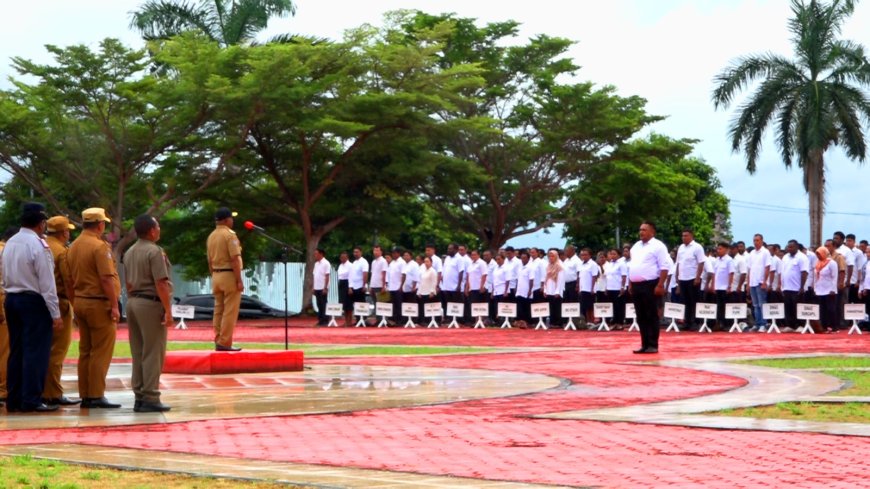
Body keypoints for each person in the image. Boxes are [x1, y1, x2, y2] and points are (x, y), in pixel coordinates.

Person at [1, 203, 63, 413]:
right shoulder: (38, 245)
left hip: (11, 299)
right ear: (42, 224)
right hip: (33, 302)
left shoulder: (10, 243)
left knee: (16, 351)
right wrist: (55, 313)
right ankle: (31, 399)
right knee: (35, 352)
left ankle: (14, 399)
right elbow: (47, 283)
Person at [67, 207, 122, 409]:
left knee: (86, 350)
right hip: (99, 303)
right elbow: (106, 278)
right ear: (100, 224)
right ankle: (96, 394)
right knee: (100, 351)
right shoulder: (99, 247)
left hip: (81, 301)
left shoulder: (73, 246)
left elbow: (70, 280)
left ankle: (86, 394)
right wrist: (115, 306)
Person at [123, 215, 174, 413]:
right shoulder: (154, 251)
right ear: (152, 230)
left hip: (133, 301)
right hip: (150, 303)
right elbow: (161, 282)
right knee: (153, 352)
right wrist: (168, 310)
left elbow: (128, 283)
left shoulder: (129, 252)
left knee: (138, 352)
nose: (159, 229)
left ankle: (140, 396)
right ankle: (151, 396)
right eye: (158, 226)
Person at [42, 216, 79, 406]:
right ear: (64, 232)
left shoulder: (41, 246)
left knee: (41, 349)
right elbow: (69, 283)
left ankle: (42, 390)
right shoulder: (61, 252)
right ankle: (52, 393)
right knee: (57, 351)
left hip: (39, 303)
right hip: (60, 303)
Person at [628, 221, 670, 354]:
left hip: (651, 284)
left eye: (644, 230)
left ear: (652, 231)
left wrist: (660, 284)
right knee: (640, 316)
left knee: (651, 315)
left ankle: (653, 344)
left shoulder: (658, 246)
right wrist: (630, 283)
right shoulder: (635, 247)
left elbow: (664, 267)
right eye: (640, 229)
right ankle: (644, 344)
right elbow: (632, 266)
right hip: (636, 285)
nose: (641, 232)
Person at [206, 207, 243, 351]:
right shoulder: (230, 235)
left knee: (218, 310)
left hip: (216, 274)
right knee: (230, 311)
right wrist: (239, 279)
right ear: (227, 220)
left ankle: (218, 339)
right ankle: (225, 342)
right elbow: (234, 259)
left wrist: (214, 275)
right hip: (229, 275)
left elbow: (209, 260)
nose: (232, 221)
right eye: (231, 218)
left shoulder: (211, 236)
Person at [675, 228, 707, 329]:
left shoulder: (697, 247)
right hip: (683, 278)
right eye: (683, 236)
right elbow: (678, 263)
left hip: (693, 278)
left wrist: (698, 277)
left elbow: (701, 263)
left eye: (686, 236)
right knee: (684, 301)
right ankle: (687, 322)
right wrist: (677, 277)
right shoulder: (681, 248)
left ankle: (696, 322)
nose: (683, 238)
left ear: (691, 236)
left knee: (694, 301)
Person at [780, 240, 809, 332]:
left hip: (797, 288)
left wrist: (802, 286)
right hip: (787, 287)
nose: (789, 249)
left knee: (798, 307)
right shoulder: (785, 257)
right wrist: (782, 286)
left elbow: (804, 272)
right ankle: (790, 325)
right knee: (788, 307)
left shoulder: (802, 257)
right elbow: (783, 272)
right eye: (788, 247)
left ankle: (800, 325)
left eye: (791, 247)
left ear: (796, 247)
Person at [747, 234, 772, 332]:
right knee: (755, 305)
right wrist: (748, 283)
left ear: (762, 241)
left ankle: (764, 324)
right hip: (753, 282)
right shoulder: (752, 253)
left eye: (757, 240)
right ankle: (757, 323)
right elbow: (749, 269)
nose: (755, 242)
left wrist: (765, 281)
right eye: (754, 240)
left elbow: (767, 267)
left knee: (762, 304)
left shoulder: (765, 252)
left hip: (760, 282)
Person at [706, 242, 734, 329]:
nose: (718, 251)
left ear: (726, 250)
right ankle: (717, 323)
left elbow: (731, 273)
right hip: (717, 287)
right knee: (717, 306)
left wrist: (729, 286)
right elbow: (714, 274)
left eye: (720, 249)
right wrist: (712, 285)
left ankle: (725, 324)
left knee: (724, 306)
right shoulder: (717, 260)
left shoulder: (729, 260)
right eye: (718, 249)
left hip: (724, 287)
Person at [814, 247, 839, 333]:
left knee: (831, 309)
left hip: (829, 289)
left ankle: (834, 326)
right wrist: (815, 288)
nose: (818, 256)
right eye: (817, 254)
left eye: (819, 254)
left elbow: (834, 276)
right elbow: (816, 277)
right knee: (822, 309)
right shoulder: (818, 263)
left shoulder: (832, 263)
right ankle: (824, 326)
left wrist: (833, 289)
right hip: (820, 289)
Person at [603, 248, 627, 327]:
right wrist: (606, 287)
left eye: (614, 254)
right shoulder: (610, 264)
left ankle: (620, 322)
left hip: (618, 288)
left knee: (619, 306)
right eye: (611, 254)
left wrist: (623, 287)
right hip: (610, 288)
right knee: (612, 306)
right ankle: (613, 322)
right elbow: (607, 276)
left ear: (619, 255)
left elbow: (624, 276)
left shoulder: (621, 263)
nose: (612, 256)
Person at [543, 249, 565, 327]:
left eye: (552, 256)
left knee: (557, 307)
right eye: (549, 256)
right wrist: (545, 290)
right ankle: (552, 323)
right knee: (551, 307)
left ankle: (558, 323)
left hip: (556, 291)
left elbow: (560, 280)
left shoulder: (559, 266)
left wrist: (557, 291)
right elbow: (545, 279)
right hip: (549, 290)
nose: (551, 258)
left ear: (556, 256)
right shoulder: (548, 266)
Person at [347, 246, 369, 324]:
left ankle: (363, 320)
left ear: (361, 252)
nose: (355, 254)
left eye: (357, 252)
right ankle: (357, 319)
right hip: (354, 286)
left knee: (361, 303)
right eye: (354, 252)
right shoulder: (354, 263)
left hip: (360, 286)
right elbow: (351, 276)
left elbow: (365, 274)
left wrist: (364, 285)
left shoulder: (364, 262)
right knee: (355, 304)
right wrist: (350, 287)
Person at [577, 248, 599, 325]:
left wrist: (592, 288)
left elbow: (594, 277)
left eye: (585, 254)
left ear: (590, 255)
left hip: (589, 288)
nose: (584, 256)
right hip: (583, 288)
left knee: (590, 306)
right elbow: (580, 277)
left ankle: (592, 321)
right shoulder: (581, 264)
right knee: (584, 306)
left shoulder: (593, 264)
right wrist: (579, 288)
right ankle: (587, 321)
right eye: (582, 255)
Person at [417, 256, 439, 324]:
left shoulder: (433, 271)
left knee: (429, 308)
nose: (426, 263)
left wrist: (432, 292)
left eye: (427, 261)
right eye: (425, 262)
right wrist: (419, 292)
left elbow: (434, 282)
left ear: (431, 262)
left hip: (429, 293)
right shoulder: (423, 271)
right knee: (422, 308)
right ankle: (423, 321)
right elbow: (421, 282)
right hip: (423, 291)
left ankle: (429, 321)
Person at [312, 248, 330, 326]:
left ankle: (325, 320)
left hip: (322, 287)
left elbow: (327, 276)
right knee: (319, 304)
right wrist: (313, 287)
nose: (315, 255)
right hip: (317, 287)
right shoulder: (316, 264)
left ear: (321, 254)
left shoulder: (326, 263)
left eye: (316, 253)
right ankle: (320, 319)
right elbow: (314, 276)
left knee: (323, 304)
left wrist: (325, 287)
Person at [387, 248, 404, 325]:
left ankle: (399, 321)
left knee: (398, 305)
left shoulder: (402, 262)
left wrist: (401, 286)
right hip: (391, 287)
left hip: (398, 286)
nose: (393, 255)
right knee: (392, 305)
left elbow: (403, 275)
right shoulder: (392, 263)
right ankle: (393, 320)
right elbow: (389, 275)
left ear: (398, 253)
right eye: (392, 253)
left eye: (395, 253)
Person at [336, 252, 351, 325]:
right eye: (341, 257)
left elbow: (351, 277)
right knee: (343, 303)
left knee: (348, 303)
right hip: (341, 283)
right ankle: (346, 321)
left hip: (347, 284)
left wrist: (350, 287)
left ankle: (349, 321)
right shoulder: (340, 266)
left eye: (344, 257)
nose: (342, 259)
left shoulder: (350, 265)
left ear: (347, 257)